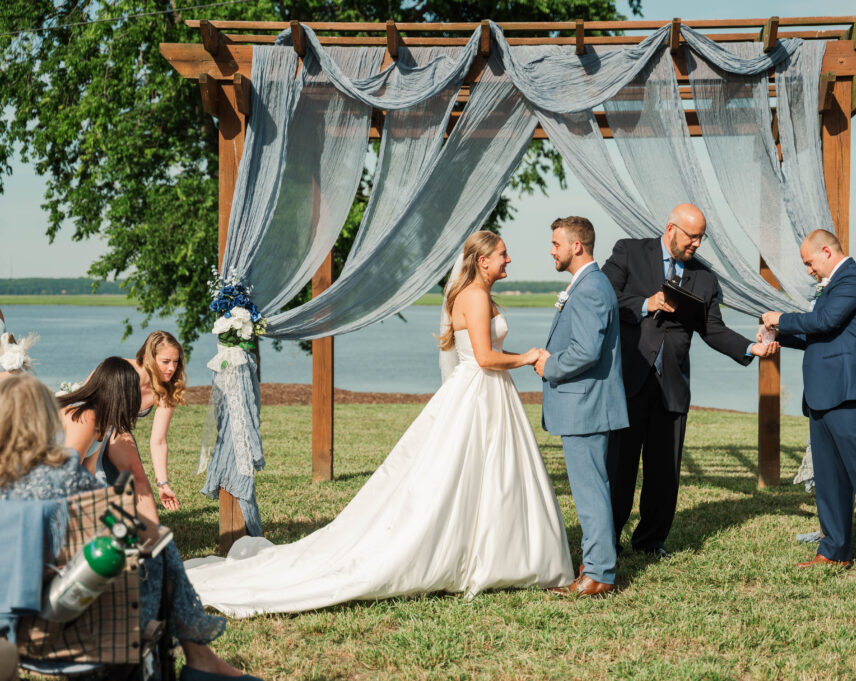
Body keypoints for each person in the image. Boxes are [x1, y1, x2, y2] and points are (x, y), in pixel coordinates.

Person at [183, 231, 573, 616]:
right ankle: (485, 556)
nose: (509, 259)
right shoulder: (474, 295)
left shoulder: (471, 294)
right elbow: (486, 358)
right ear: (483, 260)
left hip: (487, 393)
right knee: (469, 474)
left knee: (488, 475)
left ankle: (494, 554)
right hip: (480, 389)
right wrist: (529, 357)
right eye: (503, 254)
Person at [0, 373, 260, 681]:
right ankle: (200, 658)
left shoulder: (13, 493)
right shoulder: (72, 481)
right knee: (158, 545)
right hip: (108, 625)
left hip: (26, 635)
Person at [601, 203, 778, 557]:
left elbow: (713, 330)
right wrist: (644, 303)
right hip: (630, 379)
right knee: (619, 468)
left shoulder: (705, 278)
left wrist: (749, 348)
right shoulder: (629, 252)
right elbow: (602, 298)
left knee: (664, 471)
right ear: (671, 229)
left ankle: (651, 542)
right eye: (692, 236)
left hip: (672, 387)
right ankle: (606, 541)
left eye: (702, 237)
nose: (697, 244)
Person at [761, 229, 856, 578]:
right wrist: (778, 335)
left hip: (851, 395)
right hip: (822, 397)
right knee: (829, 479)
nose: (809, 270)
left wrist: (780, 318)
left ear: (826, 252)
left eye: (809, 263)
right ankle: (834, 549)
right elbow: (821, 334)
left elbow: (824, 322)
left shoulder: (854, 279)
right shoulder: (832, 285)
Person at [537, 216, 629, 596]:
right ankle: (596, 563)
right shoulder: (589, 283)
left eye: (557, 243)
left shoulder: (591, 287)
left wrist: (550, 365)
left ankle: (599, 574)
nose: (552, 250)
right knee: (594, 487)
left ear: (577, 246)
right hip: (585, 404)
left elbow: (587, 351)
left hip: (585, 405)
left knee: (591, 491)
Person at [58, 357, 164, 535]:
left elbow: (89, 477)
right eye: (132, 392)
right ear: (119, 392)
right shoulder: (86, 418)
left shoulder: (103, 423)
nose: (136, 399)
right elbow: (66, 477)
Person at [118, 331, 187, 511]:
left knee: (136, 488)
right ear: (149, 357)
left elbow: (158, 441)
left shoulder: (167, 390)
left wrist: (162, 484)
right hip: (89, 428)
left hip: (119, 437)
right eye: (165, 362)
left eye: (176, 361)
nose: (172, 368)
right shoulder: (122, 369)